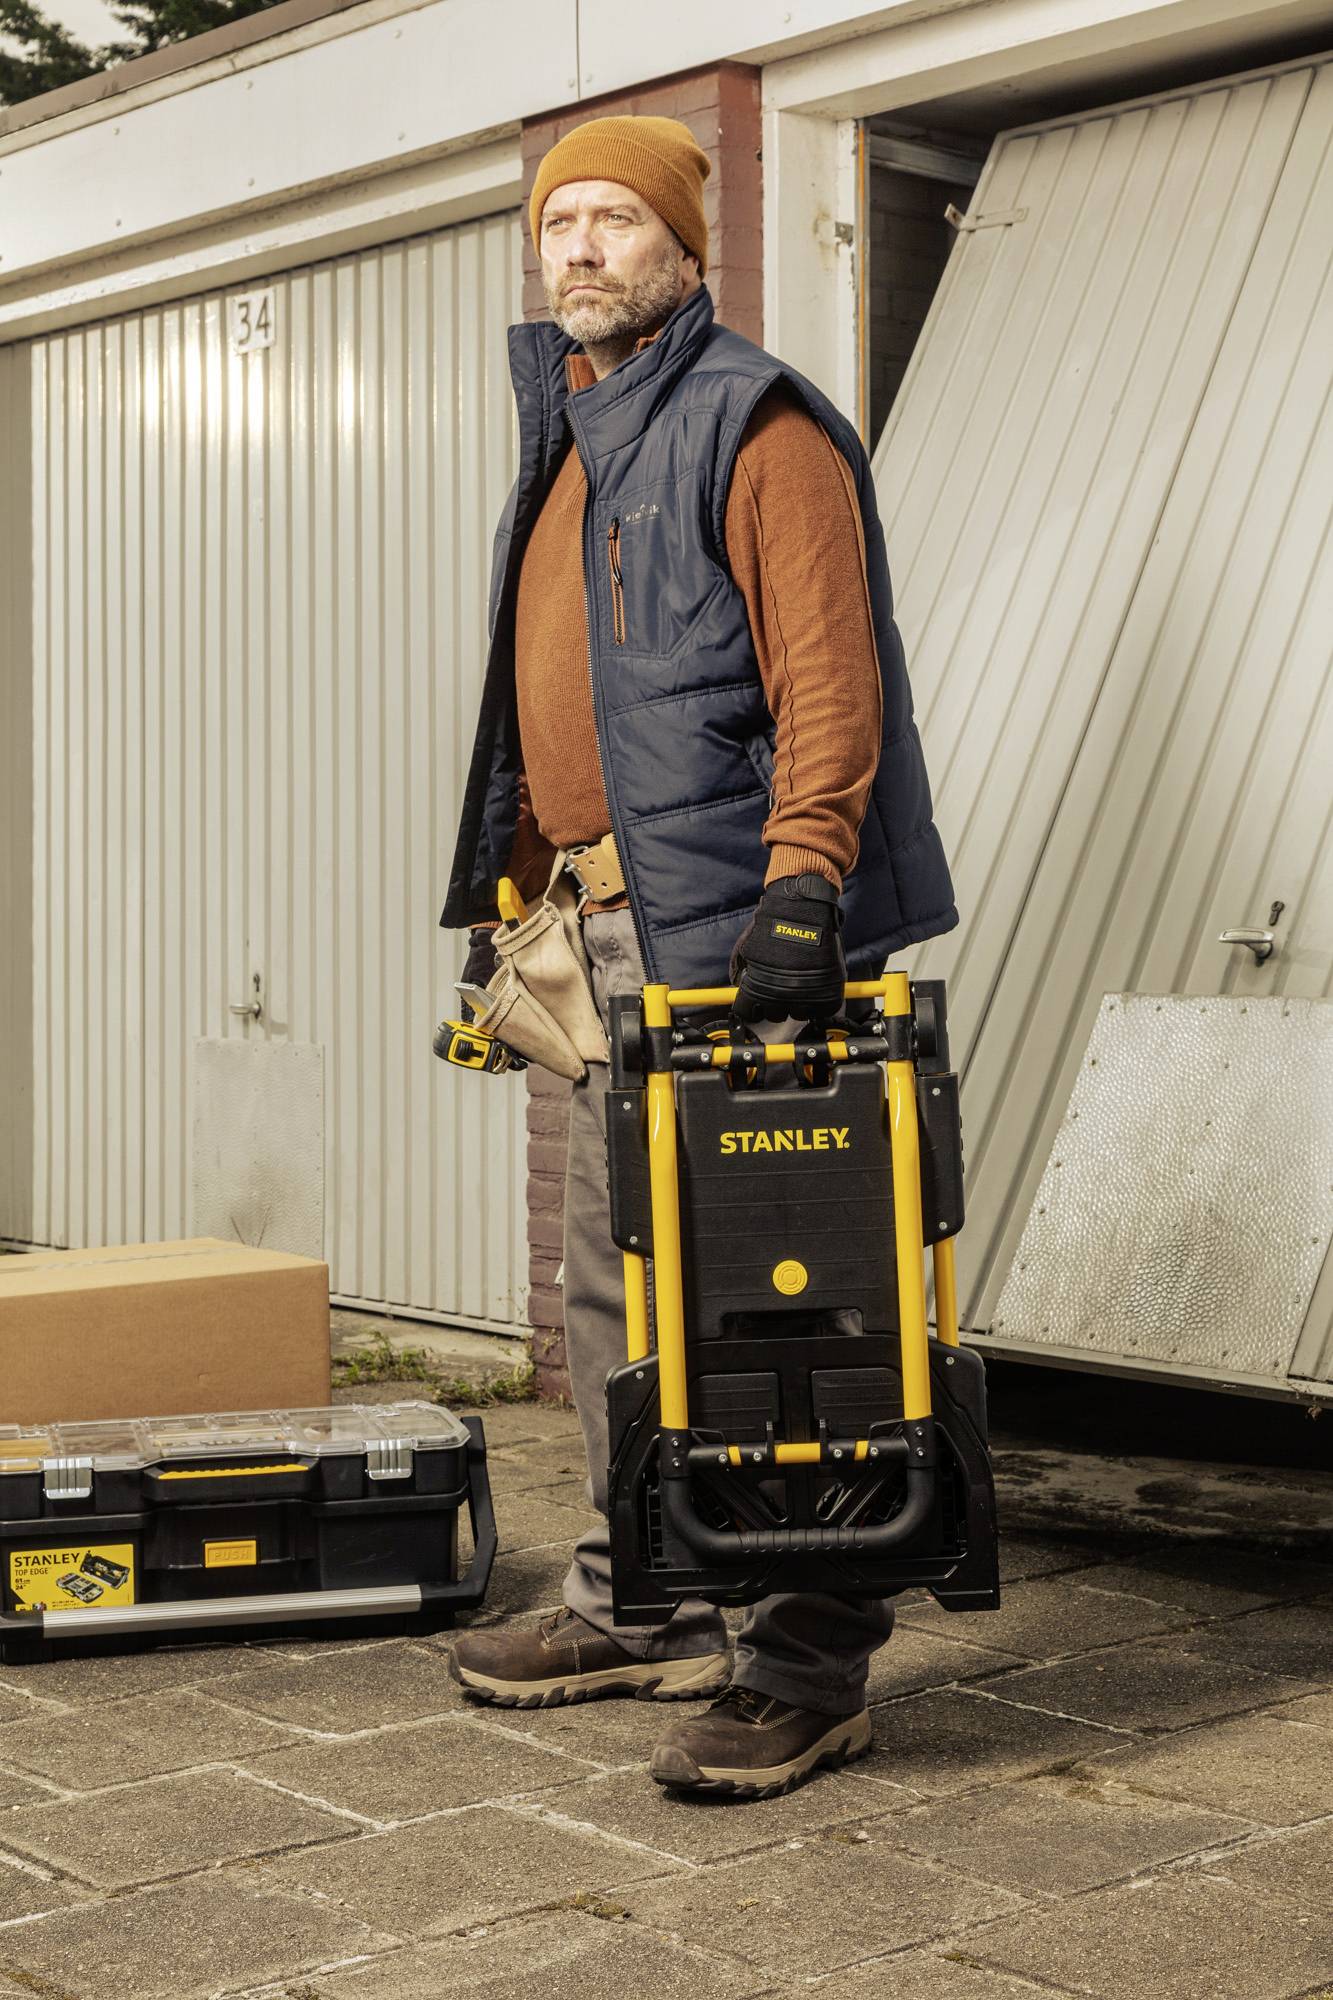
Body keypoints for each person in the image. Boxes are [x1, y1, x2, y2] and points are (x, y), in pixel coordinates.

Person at [442, 114, 957, 1798]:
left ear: (684, 245)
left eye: (613, 220)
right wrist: (524, 897)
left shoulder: (756, 422)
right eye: (557, 221)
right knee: (614, 1293)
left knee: (785, 1316)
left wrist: (802, 886)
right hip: (606, 929)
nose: (578, 248)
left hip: (736, 930)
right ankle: (644, 1591)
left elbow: (828, 678)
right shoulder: (577, 428)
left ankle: (802, 1662)